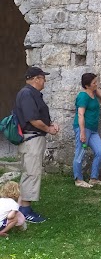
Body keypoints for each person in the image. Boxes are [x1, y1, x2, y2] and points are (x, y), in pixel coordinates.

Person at [14, 66, 59, 223]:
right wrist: (49, 129)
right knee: (31, 173)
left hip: (34, 138)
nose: (44, 82)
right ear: (36, 79)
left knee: (30, 171)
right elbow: (33, 119)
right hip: (31, 139)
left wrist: (51, 123)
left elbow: (40, 114)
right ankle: (25, 210)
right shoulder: (27, 94)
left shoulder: (32, 94)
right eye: (43, 78)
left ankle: (21, 205)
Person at [72, 73, 101, 188]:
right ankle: (78, 179)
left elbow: (98, 91)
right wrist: (82, 132)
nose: (96, 84)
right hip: (84, 128)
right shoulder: (83, 96)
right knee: (80, 152)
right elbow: (81, 115)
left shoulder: (93, 92)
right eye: (94, 83)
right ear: (87, 86)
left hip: (93, 130)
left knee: (100, 152)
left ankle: (93, 178)